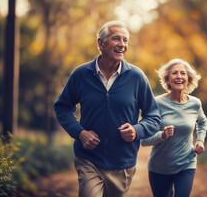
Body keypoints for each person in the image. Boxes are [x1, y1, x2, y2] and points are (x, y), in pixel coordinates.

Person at [54, 20, 161, 197]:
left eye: (125, 40)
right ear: (100, 44)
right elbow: (63, 107)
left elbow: (154, 117)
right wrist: (80, 133)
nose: (122, 45)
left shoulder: (136, 77)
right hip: (89, 159)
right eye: (116, 39)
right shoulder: (81, 74)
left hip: (123, 164)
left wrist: (136, 130)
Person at [141, 58, 207, 197]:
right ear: (167, 79)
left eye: (183, 73)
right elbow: (144, 140)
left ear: (188, 79)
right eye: (174, 73)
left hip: (186, 163)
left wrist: (200, 140)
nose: (179, 76)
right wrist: (162, 135)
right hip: (159, 167)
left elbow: (202, 121)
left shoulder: (195, 103)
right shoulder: (156, 103)